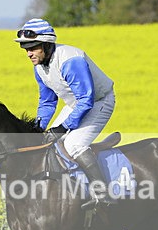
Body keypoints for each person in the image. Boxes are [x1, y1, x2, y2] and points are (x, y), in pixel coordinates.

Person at [15, 18, 116, 208]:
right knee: (47, 141)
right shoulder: (39, 67)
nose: (28, 53)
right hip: (75, 103)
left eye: (32, 48)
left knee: (74, 145)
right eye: (25, 49)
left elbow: (86, 100)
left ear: (46, 44)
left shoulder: (71, 61)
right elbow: (47, 101)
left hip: (99, 102)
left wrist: (63, 127)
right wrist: (37, 128)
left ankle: (102, 193)